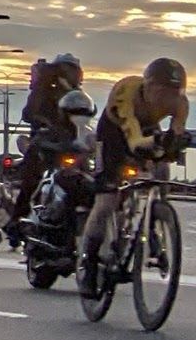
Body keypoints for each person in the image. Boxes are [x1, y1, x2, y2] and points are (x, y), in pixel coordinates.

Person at [78, 59, 190, 272]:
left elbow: (175, 135)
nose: (167, 100)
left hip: (147, 127)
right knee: (106, 201)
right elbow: (135, 142)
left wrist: (174, 143)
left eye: (174, 94)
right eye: (162, 93)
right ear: (147, 87)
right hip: (115, 130)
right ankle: (89, 259)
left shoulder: (181, 103)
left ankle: (155, 221)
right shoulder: (126, 94)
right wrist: (157, 143)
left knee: (161, 170)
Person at [11, 53, 86, 219]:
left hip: (72, 146)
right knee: (32, 178)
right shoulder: (44, 92)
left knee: (90, 176)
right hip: (47, 145)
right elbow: (29, 113)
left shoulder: (78, 96)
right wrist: (45, 123)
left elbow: (85, 118)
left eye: (75, 71)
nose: (72, 75)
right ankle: (17, 218)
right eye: (67, 70)